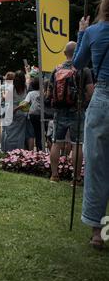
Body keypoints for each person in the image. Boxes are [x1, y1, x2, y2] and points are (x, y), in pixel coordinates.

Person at [73, 0, 109, 249]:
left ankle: (97, 232)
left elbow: (77, 63)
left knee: (96, 167)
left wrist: (82, 32)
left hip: (102, 99)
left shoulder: (95, 32)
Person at [48, 41, 93, 184]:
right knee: (77, 144)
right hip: (77, 111)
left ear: (64, 53)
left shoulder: (56, 69)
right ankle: (76, 178)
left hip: (59, 112)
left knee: (56, 143)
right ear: (78, 52)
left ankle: (54, 176)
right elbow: (90, 92)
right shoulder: (84, 70)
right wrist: (83, 104)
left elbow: (49, 92)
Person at [1, 70, 27, 152]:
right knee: (16, 135)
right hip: (17, 114)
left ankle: (13, 152)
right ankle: (15, 152)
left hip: (17, 114)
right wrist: (19, 108)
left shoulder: (15, 88)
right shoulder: (23, 88)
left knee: (13, 134)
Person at [14, 77, 42, 150]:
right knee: (39, 133)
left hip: (32, 114)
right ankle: (40, 150)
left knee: (31, 134)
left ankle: (30, 151)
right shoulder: (43, 92)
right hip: (41, 115)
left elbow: (25, 103)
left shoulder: (30, 93)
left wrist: (16, 109)